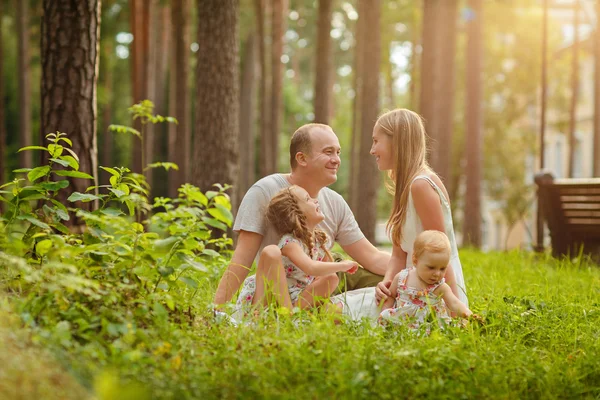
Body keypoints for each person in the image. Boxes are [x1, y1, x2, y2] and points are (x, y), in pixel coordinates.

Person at [213, 123, 389, 309]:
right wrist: (215, 311)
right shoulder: (264, 191)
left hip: (315, 288)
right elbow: (241, 260)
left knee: (385, 282)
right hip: (278, 291)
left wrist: (413, 270)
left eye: (338, 152)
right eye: (328, 152)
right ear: (302, 158)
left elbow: (372, 257)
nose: (336, 159)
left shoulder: (335, 202)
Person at [371, 108, 468, 307]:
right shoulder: (405, 186)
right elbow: (399, 255)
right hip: (407, 287)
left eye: (375, 141)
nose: (372, 150)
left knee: (338, 311)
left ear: (396, 142)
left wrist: (456, 309)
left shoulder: (421, 185)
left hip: (433, 294)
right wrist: (386, 284)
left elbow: (442, 253)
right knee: (338, 307)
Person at [235, 185, 359, 314]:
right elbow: (311, 267)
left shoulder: (320, 241)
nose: (315, 200)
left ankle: (292, 314)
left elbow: (322, 273)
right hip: (270, 295)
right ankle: (283, 312)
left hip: (297, 296)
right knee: (271, 251)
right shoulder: (291, 243)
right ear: (297, 213)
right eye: (308, 199)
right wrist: (343, 265)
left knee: (331, 278)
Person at [378, 230, 472, 332]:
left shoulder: (440, 287)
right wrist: (385, 312)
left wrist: (468, 314)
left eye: (442, 269)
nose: (437, 273)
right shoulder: (402, 278)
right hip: (403, 323)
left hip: (430, 327)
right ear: (415, 260)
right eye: (431, 268)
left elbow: (454, 303)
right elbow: (391, 296)